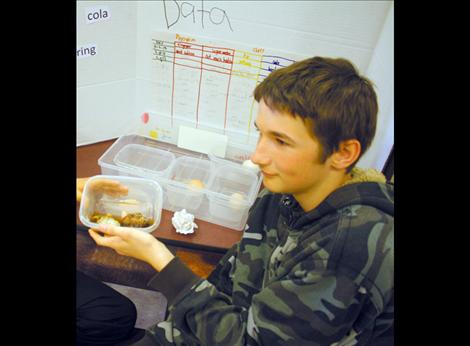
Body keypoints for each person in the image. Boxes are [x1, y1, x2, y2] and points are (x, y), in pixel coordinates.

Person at [81, 56, 394, 345]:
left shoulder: (348, 247)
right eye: (261, 134)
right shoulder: (278, 195)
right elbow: (232, 283)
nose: (258, 157)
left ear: (343, 153)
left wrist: (161, 260)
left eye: (281, 141)